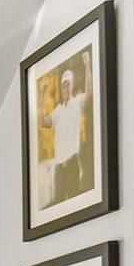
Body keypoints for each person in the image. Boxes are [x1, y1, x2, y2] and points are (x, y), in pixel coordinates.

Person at [46, 67, 91, 205]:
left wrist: (87, 65)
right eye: (63, 85)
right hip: (59, 166)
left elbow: (89, 94)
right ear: (61, 87)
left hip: (72, 162)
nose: (66, 88)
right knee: (58, 202)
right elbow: (44, 123)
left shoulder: (76, 102)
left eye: (68, 84)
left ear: (72, 85)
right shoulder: (58, 110)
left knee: (73, 200)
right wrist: (42, 95)